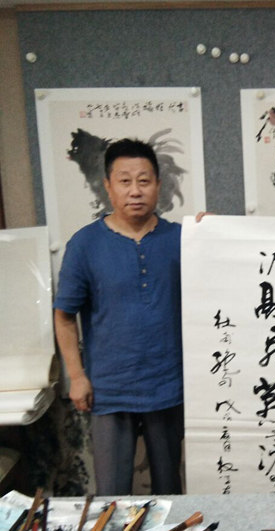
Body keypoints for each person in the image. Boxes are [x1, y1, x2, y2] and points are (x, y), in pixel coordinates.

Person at [54, 138, 183, 495]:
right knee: (111, 494)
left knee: (170, 490)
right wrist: (77, 376)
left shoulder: (181, 239)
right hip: (109, 388)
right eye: (124, 181)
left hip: (168, 386)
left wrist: (213, 232)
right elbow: (64, 316)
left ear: (158, 185)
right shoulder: (85, 244)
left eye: (144, 180)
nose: (135, 190)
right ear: (107, 187)